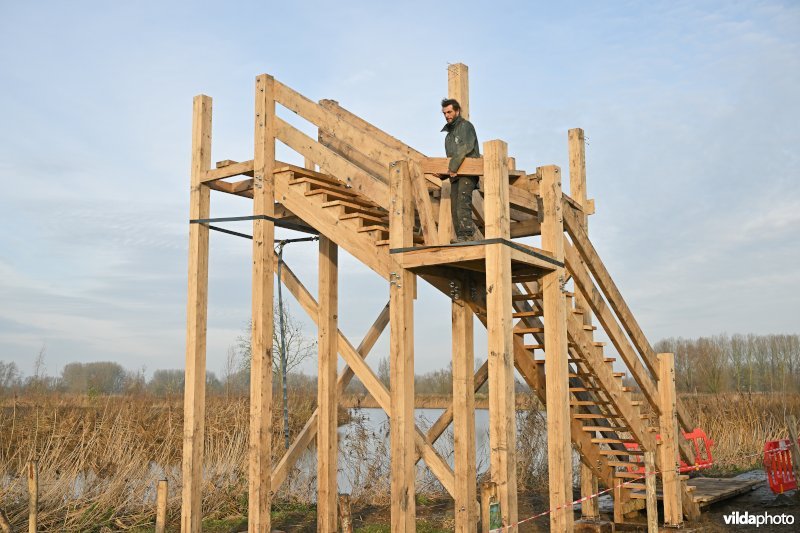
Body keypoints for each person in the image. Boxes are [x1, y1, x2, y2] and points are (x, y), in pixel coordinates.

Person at [441, 98, 480, 243]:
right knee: (454, 206)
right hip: (456, 174)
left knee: (463, 203)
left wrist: (452, 167)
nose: (447, 115)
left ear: (457, 111)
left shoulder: (466, 126)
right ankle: (461, 237)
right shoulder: (448, 136)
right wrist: (441, 174)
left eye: (449, 112)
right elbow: (450, 157)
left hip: (467, 172)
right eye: (444, 113)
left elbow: (465, 148)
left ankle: (466, 236)